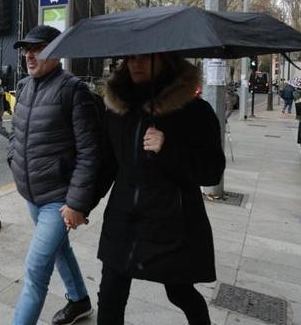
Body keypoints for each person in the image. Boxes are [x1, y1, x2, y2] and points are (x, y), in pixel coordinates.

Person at [94, 53, 225, 325]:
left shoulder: (195, 111)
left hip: (171, 222)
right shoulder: (118, 109)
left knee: (179, 292)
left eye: (145, 58)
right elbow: (107, 165)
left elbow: (211, 171)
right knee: (110, 296)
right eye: (131, 58)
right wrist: (79, 204)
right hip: (124, 219)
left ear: (166, 61)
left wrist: (168, 148)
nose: (136, 64)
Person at [9, 25, 102, 325]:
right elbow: (17, 134)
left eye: (37, 48)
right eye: (26, 49)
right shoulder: (23, 87)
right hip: (33, 195)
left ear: (56, 51)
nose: (29, 55)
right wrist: (15, 161)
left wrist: (76, 203)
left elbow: (90, 153)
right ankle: (80, 301)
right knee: (60, 250)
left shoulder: (74, 91)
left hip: (58, 201)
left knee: (36, 272)